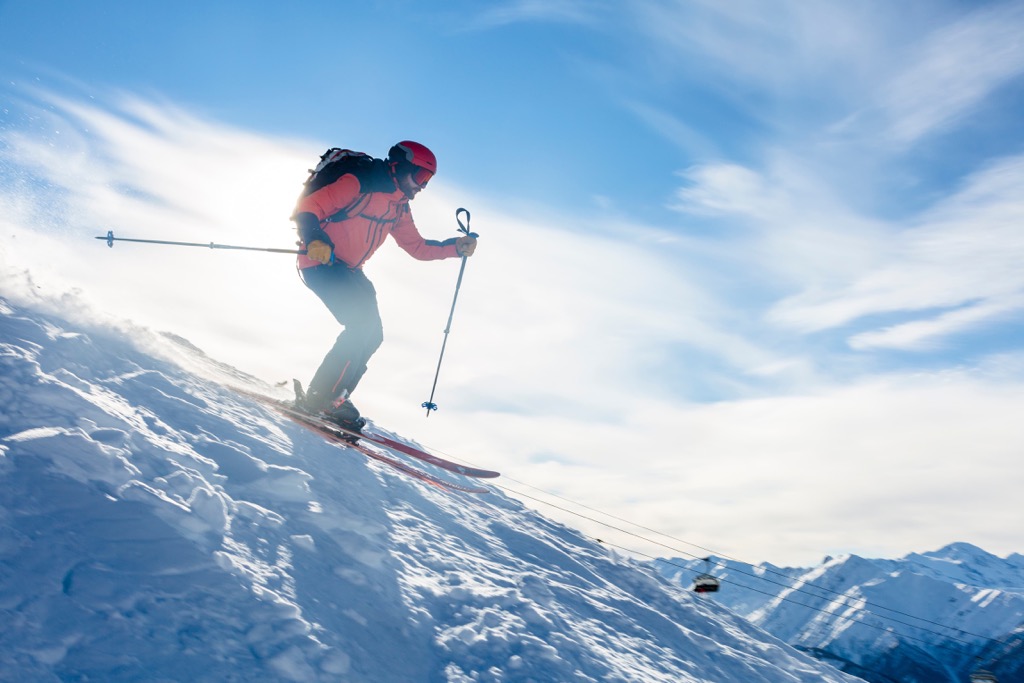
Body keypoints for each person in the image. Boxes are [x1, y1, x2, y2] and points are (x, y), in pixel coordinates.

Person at [292, 140, 477, 431]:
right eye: (420, 177)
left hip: (350, 271)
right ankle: (320, 398)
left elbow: (416, 247)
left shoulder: (398, 207)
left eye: (427, 180)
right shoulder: (359, 182)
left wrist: (456, 247)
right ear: (400, 166)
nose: (422, 186)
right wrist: (315, 239)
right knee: (360, 327)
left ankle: (336, 397)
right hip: (321, 263)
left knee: (373, 334)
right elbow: (308, 207)